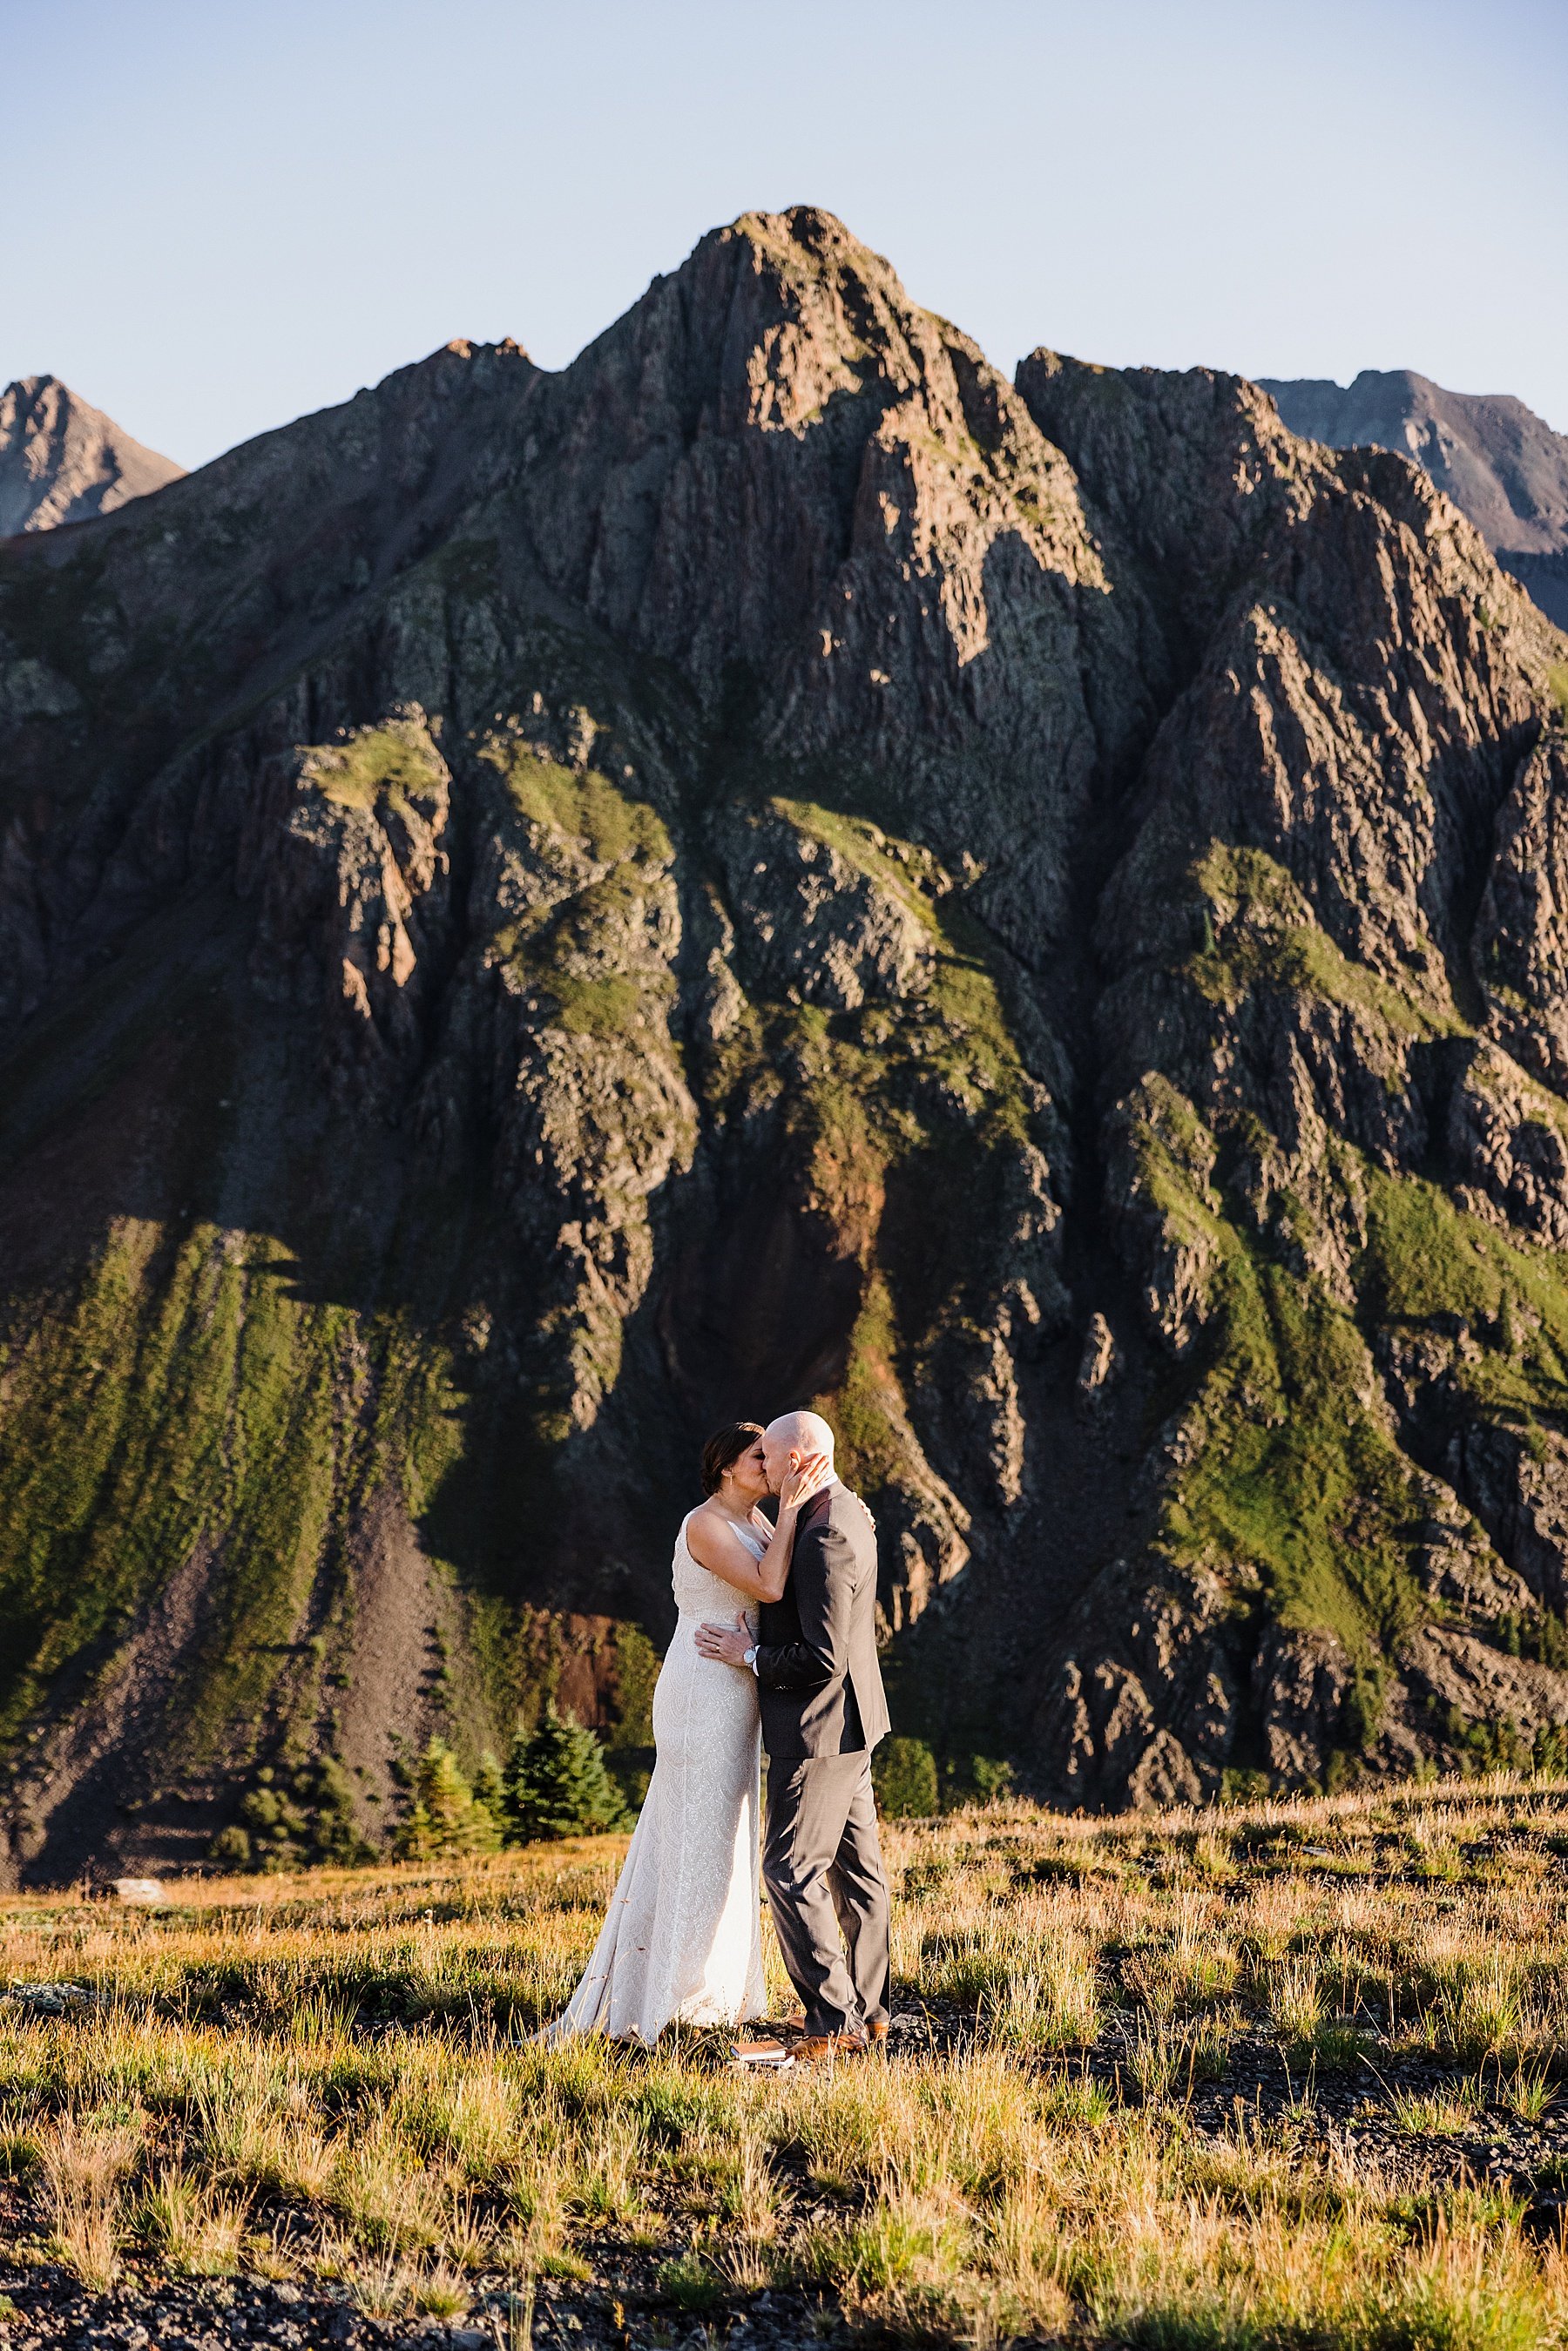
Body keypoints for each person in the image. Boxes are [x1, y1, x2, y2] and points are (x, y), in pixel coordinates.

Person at [539, 1422, 830, 2042]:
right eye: (759, 1457)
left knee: (727, 1832)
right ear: (727, 1465)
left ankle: (714, 1985)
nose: (771, 1466)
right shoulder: (705, 1523)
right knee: (697, 1828)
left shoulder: (756, 1521)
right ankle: (673, 1988)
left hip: (737, 1685)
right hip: (701, 1688)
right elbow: (770, 1585)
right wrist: (796, 1505)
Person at [697, 1410, 892, 2058]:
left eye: (773, 1459)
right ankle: (868, 2013)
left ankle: (832, 2023)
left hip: (816, 1730)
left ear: (801, 1459)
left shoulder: (823, 1533)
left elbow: (820, 1657)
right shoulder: (846, 1512)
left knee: (788, 1869)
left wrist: (748, 1657)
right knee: (857, 1872)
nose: (766, 1469)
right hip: (853, 1722)